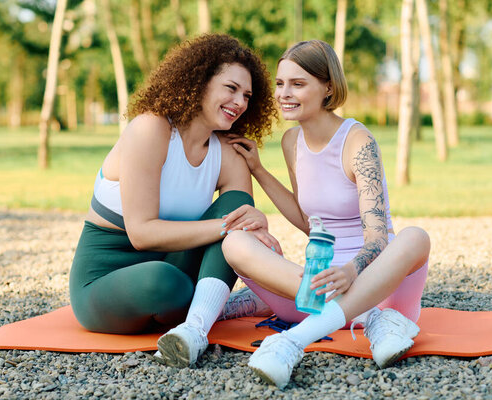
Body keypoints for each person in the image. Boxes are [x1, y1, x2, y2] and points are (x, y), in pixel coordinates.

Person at [221, 40, 430, 389]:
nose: (284, 93)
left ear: (328, 87)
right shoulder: (291, 142)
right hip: (316, 290)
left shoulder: (358, 141)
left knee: (415, 237)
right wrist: (257, 168)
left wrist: (351, 272)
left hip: (377, 287)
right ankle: (367, 320)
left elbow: (378, 236)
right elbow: (309, 222)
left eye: (298, 84)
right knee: (235, 243)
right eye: (280, 83)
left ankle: (294, 340)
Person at [68, 34, 281, 368]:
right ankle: (224, 306)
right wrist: (229, 227)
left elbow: (241, 226)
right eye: (230, 88)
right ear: (199, 82)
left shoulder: (229, 152)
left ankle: (194, 330)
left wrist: (255, 232)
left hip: (176, 267)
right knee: (162, 281)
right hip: (107, 279)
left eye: (247, 95)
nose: (240, 102)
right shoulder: (150, 129)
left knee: (236, 209)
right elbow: (142, 234)